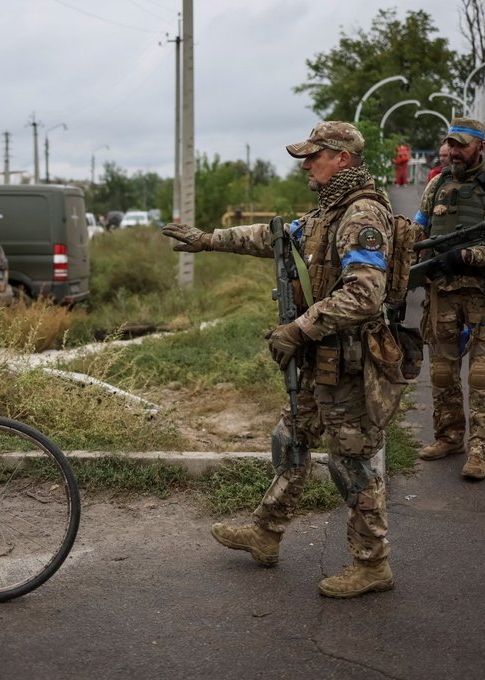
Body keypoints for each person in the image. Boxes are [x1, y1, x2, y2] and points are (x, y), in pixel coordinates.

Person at [161, 121, 398, 598]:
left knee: (350, 463)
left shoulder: (362, 216)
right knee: (290, 440)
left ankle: (373, 564)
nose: (306, 164)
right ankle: (266, 534)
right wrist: (207, 239)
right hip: (321, 362)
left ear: (342, 159)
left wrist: (298, 328)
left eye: (314, 156)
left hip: (350, 364)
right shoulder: (325, 214)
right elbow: (271, 237)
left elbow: (365, 296)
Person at [413, 118, 485, 480]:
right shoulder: (437, 184)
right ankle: (448, 437)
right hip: (441, 295)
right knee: (442, 374)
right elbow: (418, 233)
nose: (454, 152)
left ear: (480, 147)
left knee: (481, 375)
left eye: (462, 145)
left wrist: (468, 257)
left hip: (484, 297)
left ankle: (479, 450)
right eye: (451, 145)